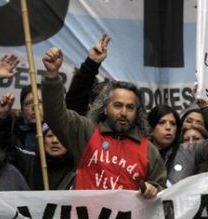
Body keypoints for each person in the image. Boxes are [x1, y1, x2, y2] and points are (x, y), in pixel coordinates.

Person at [41, 47, 166, 197]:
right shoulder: (86, 132)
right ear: (105, 108)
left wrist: (154, 189)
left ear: (137, 112)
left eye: (130, 107)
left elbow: (162, 192)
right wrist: (52, 75)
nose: (124, 113)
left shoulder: (149, 151)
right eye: (118, 105)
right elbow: (54, 115)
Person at [66, 33, 111, 115]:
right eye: (100, 101)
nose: (123, 112)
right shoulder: (82, 124)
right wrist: (92, 62)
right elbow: (75, 101)